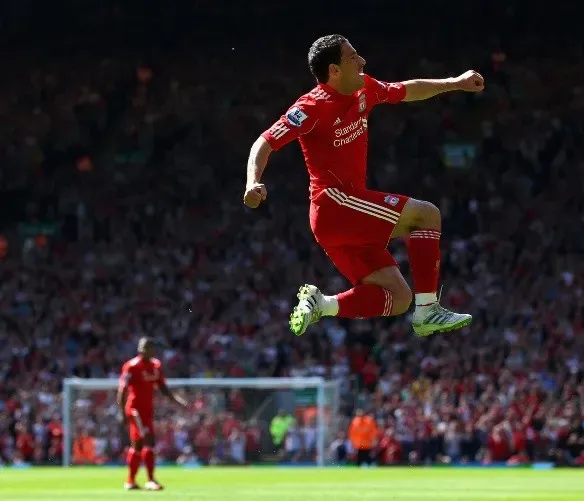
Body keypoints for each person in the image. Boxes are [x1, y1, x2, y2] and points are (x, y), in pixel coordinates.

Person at [243, 34, 483, 337]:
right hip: (334, 205)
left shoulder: (364, 88)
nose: (362, 61)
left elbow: (406, 90)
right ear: (334, 71)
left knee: (397, 298)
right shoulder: (311, 107)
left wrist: (454, 83)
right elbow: (264, 141)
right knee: (427, 215)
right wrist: (253, 182)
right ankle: (428, 312)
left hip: (347, 217)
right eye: (353, 57)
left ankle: (323, 304)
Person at [117, 337, 188, 491]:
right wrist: (123, 413)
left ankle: (130, 481)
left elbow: (163, 388)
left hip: (147, 411)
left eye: (147, 347)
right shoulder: (131, 366)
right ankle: (150, 480)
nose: (143, 350)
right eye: (142, 347)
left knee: (138, 445)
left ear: (152, 349)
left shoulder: (156, 366)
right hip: (134, 409)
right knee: (148, 440)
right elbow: (122, 390)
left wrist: (178, 401)